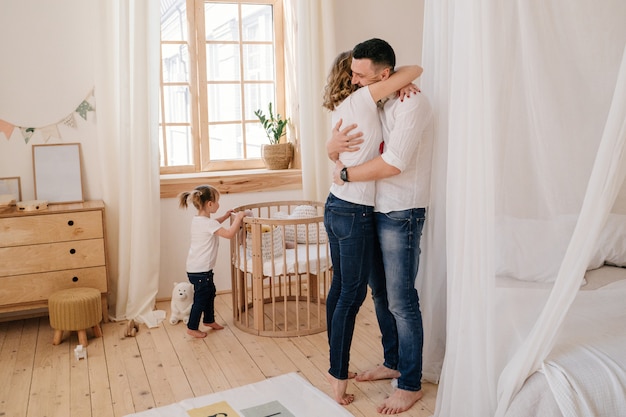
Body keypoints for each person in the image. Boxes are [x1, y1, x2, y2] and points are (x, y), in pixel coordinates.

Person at [328, 38, 434, 415]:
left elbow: (393, 163)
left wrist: (343, 172)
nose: (354, 80)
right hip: (371, 209)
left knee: (402, 300)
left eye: (360, 74)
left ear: (383, 74)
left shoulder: (412, 102)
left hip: (401, 211)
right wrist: (332, 150)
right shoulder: (381, 96)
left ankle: (409, 383)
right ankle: (392, 361)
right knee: (380, 294)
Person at [178, 185, 248, 338]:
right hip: (200, 270)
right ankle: (192, 327)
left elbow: (214, 223)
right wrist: (239, 218)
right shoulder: (208, 224)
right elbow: (229, 234)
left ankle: (209, 320)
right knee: (201, 299)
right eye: (217, 201)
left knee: (210, 293)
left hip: (197, 269)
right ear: (209, 204)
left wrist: (224, 216)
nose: (219, 204)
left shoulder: (199, 221)